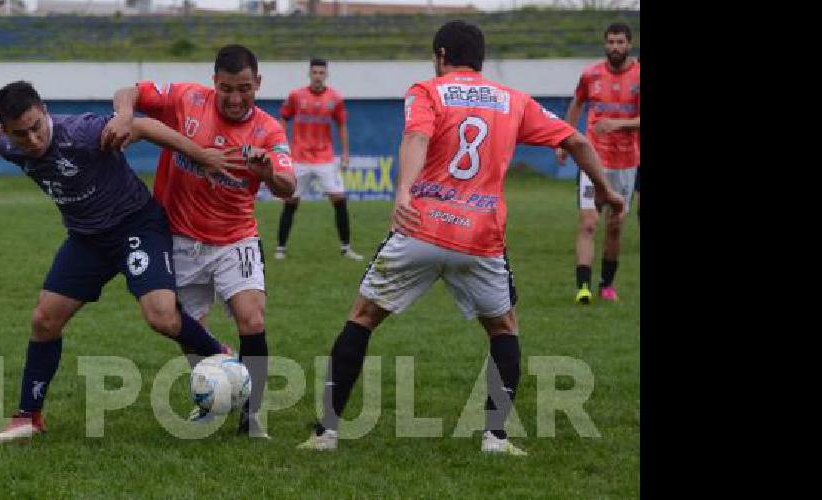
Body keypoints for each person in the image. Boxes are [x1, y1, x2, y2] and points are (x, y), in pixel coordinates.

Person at [297, 20, 626, 455]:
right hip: (480, 239)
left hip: (420, 227)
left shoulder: (427, 91)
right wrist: (604, 189)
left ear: (440, 57)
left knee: (362, 318)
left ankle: (327, 432)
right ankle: (495, 436)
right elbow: (579, 141)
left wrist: (404, 191)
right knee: (504, 328)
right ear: (481, 59)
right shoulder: (513, 100)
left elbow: (416, 136)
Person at [0, 81, 239, 443]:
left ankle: (224, 357)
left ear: (45, 111)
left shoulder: (83, 133)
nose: (33, 139)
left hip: (134, 224)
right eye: (20, 133)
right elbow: (2, 133)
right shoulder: (10, 144)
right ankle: (28, 416)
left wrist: (203, 156)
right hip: (87, 240)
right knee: (44, 320)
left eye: (37, 126)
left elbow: (145, 127)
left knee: (162, 317)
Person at [106, 45, 297, 438]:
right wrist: (125, 115)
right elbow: (131, 91)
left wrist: (269, 174)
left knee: (252, 318)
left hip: (235, 238)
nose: (235, 97)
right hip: (180, 235)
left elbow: (288, 187)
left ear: (258, 83)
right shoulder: (187, 98)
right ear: (214, 83)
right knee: (189, 329)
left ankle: (251, 414)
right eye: (226, 88)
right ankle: (210, 399)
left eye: (244, 88)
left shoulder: (269, 130)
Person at [555, 22, 640, 304]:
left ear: (629, 44)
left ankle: (606, 284)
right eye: (611, 42)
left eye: (620, 42)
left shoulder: (639, 75)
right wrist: (565, 139)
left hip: (626, 163)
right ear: (605, 44)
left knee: (615, 225)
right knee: (589, 223)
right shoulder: (590, 75)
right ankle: (583, 287)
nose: (615, 47)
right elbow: (577, 104)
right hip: (593, 162)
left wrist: (618, 123)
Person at [274, 58, 362, 261]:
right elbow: (283, 119)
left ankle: (346, 248)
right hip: (299, 157)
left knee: (339, 199)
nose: (318, 76)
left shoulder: (335, 99)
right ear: (309, 74)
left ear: (326, 75)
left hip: (324, 158)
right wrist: (281, 148)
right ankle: (280, 248)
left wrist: (346, 153)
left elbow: (341, 126)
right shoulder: (296, 96)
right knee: (291, 201)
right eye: (315, 72)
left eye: (321, 73)